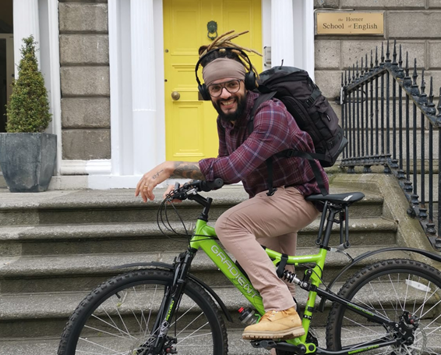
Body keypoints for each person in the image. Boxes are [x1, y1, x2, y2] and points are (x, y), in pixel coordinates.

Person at [135, 31, 328, 340]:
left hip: (299, 196)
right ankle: (285, 317)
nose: (224, 95)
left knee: (230, 225)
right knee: (276, 296)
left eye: (231, 85)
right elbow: (225, 166)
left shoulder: (271, 113)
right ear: (206, 92)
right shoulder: (228, 119)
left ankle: (282, 307)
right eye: (215, 88)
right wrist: (189, 186)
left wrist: (173, 166)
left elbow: (237, 166)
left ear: (246, 83)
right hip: (271, 198)